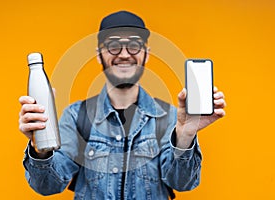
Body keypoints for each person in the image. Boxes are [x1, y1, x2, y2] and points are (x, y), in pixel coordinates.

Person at [19, 10, 226, 200]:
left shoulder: (169, 118)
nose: (125, 54)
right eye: (114, 45)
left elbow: (183, 183)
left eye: (134, 45)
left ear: (146, 53)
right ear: (100, 53)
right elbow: (47, 186)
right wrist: (41, 150)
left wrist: (185, 136)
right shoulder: (76, 116)